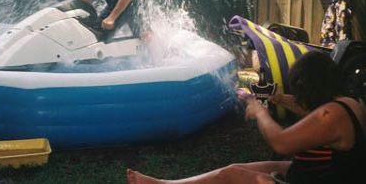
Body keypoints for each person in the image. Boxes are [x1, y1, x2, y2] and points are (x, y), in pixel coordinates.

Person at [126, 51, 366, 184]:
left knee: (238, 177)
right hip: (315, 174)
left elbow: (280, 141)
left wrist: (260, 111)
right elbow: (313, 114)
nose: (299, 96)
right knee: (235, 168)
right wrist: (277, 98)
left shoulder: (330, 115)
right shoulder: (347, 103)